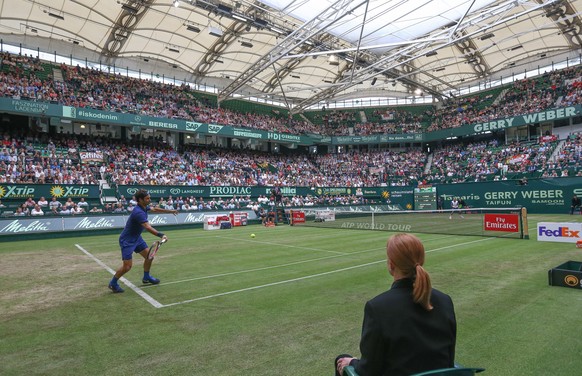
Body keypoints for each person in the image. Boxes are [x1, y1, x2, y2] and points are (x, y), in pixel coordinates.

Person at [335, 233, 456, 376]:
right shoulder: (445, 300)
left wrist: (352, 362)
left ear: (391, 264)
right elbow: (448, 361)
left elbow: (368, 370)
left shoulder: (378, 308)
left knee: (341, 359)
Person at [108, 189, 178, 293]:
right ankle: (113, 283)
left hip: (137, 238)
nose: (149, 200)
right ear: (140, 200)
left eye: (149, 198)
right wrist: (161, 235)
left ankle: (146, 277)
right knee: (127, 266)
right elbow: (147, 227)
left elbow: (155, 209)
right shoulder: (138, 212)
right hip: (127, 240)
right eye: (147, 198)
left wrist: (170, 211)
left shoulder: (144, 207)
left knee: (149, 257)